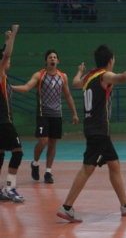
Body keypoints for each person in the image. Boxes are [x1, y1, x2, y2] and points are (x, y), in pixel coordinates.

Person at [56, 45, 126, 222]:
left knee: (114, 164)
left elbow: (74, 83)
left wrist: (79, 72)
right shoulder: (104, 75)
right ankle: (66, 207)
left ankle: (125, 205)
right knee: (88, 168)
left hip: (92, 127)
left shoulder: (88, 77)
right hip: (98, 129)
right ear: (110, 61)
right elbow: (124, 77)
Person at [12, 50, 79, 184]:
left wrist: (75, 113)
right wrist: (10, 87)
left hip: (57, 114)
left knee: (53, 143)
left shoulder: (63, 77)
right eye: (50, 57)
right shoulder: (39, 75)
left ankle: (48, 172)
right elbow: (26, 87)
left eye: (54, 57)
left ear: (57, 61)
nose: (52, 59)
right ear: (46, 61)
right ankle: (35, 163)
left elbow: (68, 96)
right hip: (43, 114)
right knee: (43, 141)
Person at [0, 25, 24, 203]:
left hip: (3, 122)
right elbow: (6, 54)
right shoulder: (0, 74)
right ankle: (9, 188)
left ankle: (4, 190)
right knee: (17, 152)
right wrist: (14, 35)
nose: (9, 60)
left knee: (0, 155)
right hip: (3, 123)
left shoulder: (5, 78)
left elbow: (5, 53)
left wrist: (6, 41)